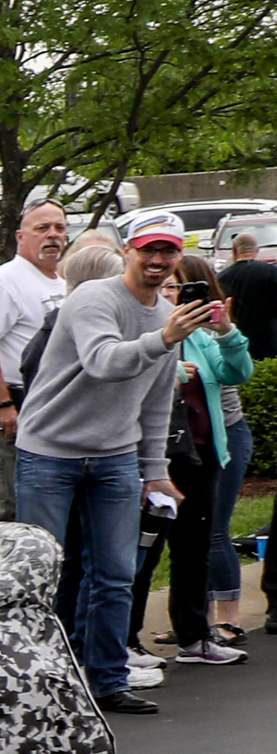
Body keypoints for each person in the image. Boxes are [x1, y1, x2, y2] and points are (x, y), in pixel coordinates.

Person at [13, 211, 217, 716]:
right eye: (148, 249)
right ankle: (36, 684)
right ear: (128, 251)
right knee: (43, 572)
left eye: (168, 251)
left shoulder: (163, 320)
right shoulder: (93, 299)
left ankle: (105, 679)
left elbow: (152, 405)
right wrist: (165, 339)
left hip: (115, 459)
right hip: (49, 453)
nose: (158, 260)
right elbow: (104, 362)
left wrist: (154, 472)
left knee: (115, 575)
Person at [132, 254, 252, 670]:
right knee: (143, 554)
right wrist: (171, 372)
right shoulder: (144, 331)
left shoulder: (201, 336)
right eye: (165, 288)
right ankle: (127, 641)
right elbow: (126, 377)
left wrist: (226, 331)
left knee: (194, 549)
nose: (172, 296)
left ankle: (195, 637)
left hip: (201, 453)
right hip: (154, 458)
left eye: (177, 288)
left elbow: (236, 372)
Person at [0, 201, 73, 520]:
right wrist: (1, 403)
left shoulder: (64, 282)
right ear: (20, 236)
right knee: (15, 506)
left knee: (52, 502)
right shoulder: (5, 281)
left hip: (57, 403)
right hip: (17, 403)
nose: (53, 235)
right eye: (42, 228)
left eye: (59, 228)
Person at [213, 232, 277, 633]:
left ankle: (273, 602)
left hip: (243, 344)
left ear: (235, 251)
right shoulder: (270, 277)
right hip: (265, 343)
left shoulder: (223, 277)